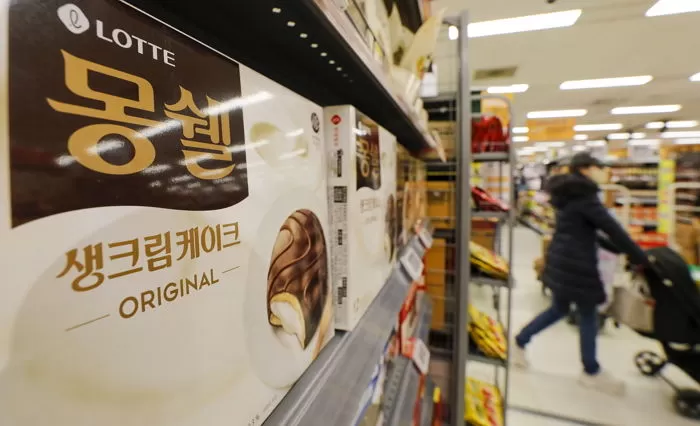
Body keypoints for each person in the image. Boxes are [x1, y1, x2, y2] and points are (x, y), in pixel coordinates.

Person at [511, 152, 649, 396]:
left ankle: (520, 341)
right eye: (598, 167)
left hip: (564, 257)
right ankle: (591, 371)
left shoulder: (567, 194)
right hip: (577, 262)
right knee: (587, 313)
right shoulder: (585, 195)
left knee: (560, 309)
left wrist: (618, 250)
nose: (601, 172)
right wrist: (640, 256)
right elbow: (612, 229)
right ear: (585, 169)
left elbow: (586, 230)